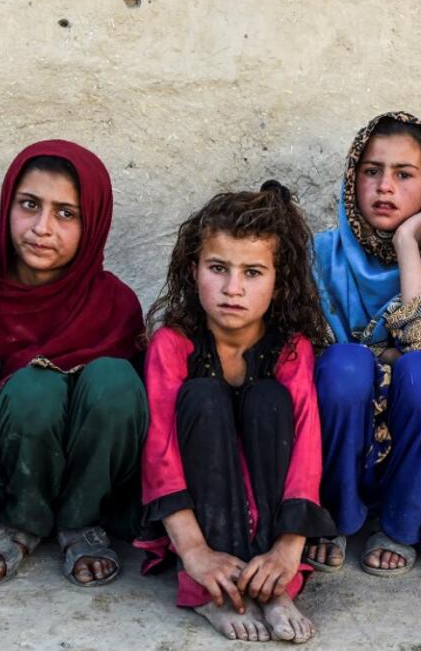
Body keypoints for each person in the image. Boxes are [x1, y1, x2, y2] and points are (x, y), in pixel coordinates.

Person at [139, 182, 337, 643]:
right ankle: (210, 591)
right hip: (194, 520)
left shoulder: (291, 349)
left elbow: (306, 447)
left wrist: (288, 552)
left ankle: (272, 585)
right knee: (204, 396)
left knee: (269, 400)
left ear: (278, 279)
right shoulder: (174, 342)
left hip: (268, 523)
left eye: (252, 272)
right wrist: (193, 551)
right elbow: (159, 450)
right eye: (218, 268)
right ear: (193, 271)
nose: (233, 289)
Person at [0, 140, 148, 587]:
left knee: (115, 379)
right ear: (8, 205)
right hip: (5, 478)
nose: (42, 227)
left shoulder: (114, 304)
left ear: (94, 224)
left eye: (67, 213)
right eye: (29, 205)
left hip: (97, 483)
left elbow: (129, 422)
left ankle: (82, 523)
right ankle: (19, 522)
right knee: (34, 389)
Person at [306, 111, 421, 577]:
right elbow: (309, 347)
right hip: (333, 441)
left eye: (404, 175)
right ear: (352, 178)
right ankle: (333, 517)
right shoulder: (317, 256)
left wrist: (406, 246)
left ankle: (401, 525)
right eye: (372, 171)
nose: (385, 187)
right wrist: (379, 355)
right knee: (344, 366)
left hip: (409, 450)